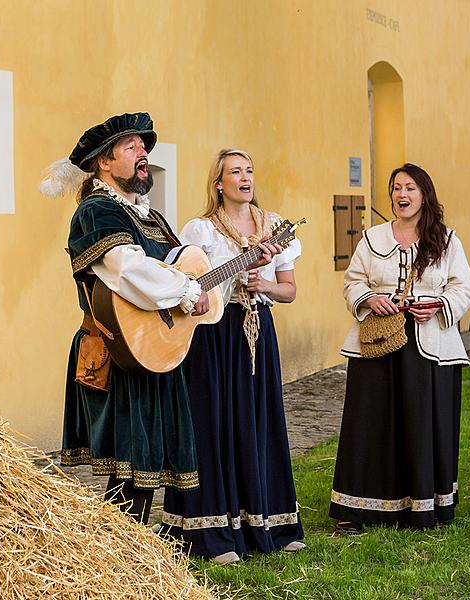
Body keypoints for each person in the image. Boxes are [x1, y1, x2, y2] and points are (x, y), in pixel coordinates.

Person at [59, 112, 211, 524]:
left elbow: (183, 268)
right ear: (103, 163)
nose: (144, 153)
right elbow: (128, 270)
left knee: (148, 470)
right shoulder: (96, 212)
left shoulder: (151, 217)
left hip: (156, 347)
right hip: (118, 350)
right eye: (132, 147)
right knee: (129, 470)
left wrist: (202, 288)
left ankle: (131, 560)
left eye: (144, 146)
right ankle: (116, 561)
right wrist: (185, 291)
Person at [160, 149, 304, 564]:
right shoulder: (200, 229)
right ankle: (212, 530)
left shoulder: (275, 226)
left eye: (249, 170)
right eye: (235, 172)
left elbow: (289, 290)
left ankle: (272, 523)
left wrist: (264, 284)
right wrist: (235, 271)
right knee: (215, 423)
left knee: (261, 421)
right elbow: (190, 284)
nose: (245, 178)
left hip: (258, 328)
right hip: (214, 336)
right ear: (218, 183)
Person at [329, 163, 470, 532]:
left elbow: (463, 287)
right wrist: (368, 299)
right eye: (396, 188)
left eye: (410, 188)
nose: (402, 195)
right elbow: (352, 282)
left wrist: (439, 306)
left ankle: (424, 506)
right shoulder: (371, 238)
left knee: (425, 423)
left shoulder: (446, 240)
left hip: (432, 346)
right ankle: (361, 507)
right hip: (379, 341)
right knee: (370, 423)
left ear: (424, 194)